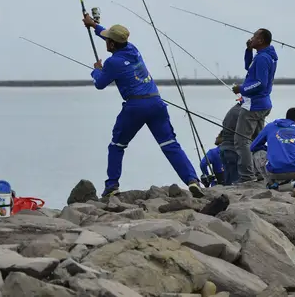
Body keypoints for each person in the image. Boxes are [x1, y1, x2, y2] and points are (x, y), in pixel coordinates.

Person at [82, 13, 204, 198]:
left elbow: (100, 84)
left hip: (135, 107)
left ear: (112, 44)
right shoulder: (133, 49)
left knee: (117, 146)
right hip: (156, 103)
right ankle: (192, 180)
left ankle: (112, 186)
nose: (106, 41)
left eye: (108, 40)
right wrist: (94, 25)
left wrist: (96, 71)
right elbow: (110, 37)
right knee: (170, 144)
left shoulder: (112, 62)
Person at [231, 29, 278, 183]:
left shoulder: (263, 58)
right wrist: (248, 50)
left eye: (255, 36)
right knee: (257, 141)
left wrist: (241, 89)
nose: (251, 38)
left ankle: (246, 176)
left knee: (241, 141)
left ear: (262, 40)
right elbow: (249, 68)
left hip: (254, 105)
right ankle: (260, 173)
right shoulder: (263, 56)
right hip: (262, 103)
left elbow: (260, 83)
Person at [214, 99, 246, 186]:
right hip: (234, 151)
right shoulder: (242, 113)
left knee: (228, 182)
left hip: (224, 150)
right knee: (236, 182)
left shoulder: (233, 110)